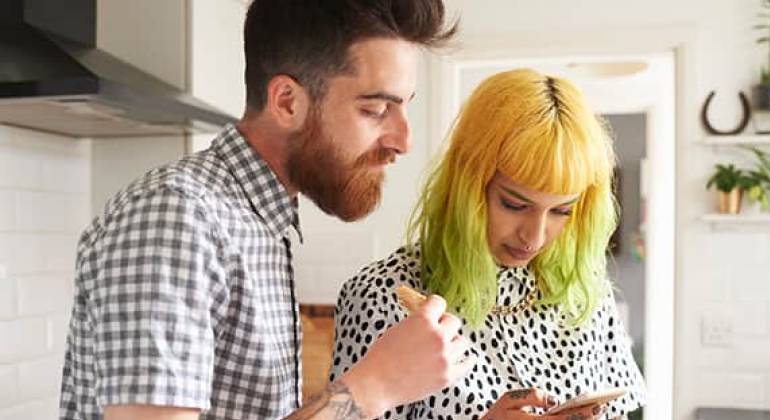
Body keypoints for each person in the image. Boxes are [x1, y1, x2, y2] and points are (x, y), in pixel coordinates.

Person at [59, 1, 475, 419]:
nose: (404, 140)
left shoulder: (259, 223)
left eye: (405, 106)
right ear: (287, 102)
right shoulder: (176, 218)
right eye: (376, 109)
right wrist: (376, 385)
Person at [330, 69, 646, 420]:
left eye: (561, 211)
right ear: (468, 185)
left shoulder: (585, 291)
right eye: (514, 205)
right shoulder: (384, 296)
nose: (534, 237)